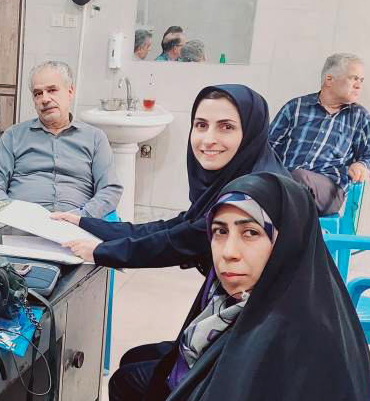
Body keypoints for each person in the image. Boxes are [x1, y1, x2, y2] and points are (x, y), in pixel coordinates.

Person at [38, 172, 370, 401]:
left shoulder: (300, 342)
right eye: (220, 232)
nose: (228, 252)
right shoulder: (244, 303)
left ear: (287, 240)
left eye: (250, 233)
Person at [51, 84, 284, 269]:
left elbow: (179, 243)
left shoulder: (249, 197)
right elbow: (177, 227)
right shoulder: (239, 177)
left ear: (251, 132)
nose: (208, 139)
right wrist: (86, 223)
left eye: (226, 127)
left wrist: (99, 251)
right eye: (201, 125)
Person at [0, 60, 122, 218]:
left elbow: (110, 189)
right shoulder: (13, 136)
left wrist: (82, 217)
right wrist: (14, 215)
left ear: (70, 92)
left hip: (77, 224)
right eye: (38, 93)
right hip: (22, 223)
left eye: (52, 90)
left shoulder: (95, 138)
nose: (45, 99)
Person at [269, 52, 370, 215]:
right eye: (353, 78)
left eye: (361, 80)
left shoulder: (361, 118)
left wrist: (362, 165)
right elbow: (269, 148)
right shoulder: (295, 107)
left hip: (328, 190)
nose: (358, 85)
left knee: (298, 178)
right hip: (284, 182)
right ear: (329, 79)